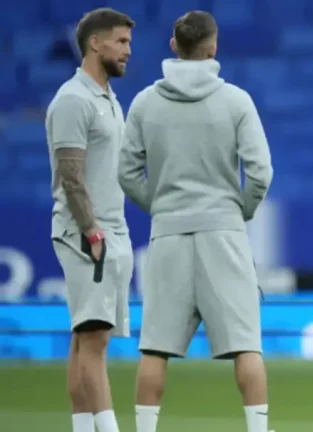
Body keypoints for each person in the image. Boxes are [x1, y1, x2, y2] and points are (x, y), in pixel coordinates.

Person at [117, 11, 274, 432]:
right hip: (223, 232)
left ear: (174, 46)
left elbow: (127, 172)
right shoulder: (236, 100)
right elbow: (260, 172)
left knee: (155, 347)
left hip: (167, 235)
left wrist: (163, 208)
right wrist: (238, 210)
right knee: (245, 344)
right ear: (214, 48)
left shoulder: (145, 102)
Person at [45, 8, 135, 432]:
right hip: (88, 233)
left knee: (84, 338)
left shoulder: (107, 99)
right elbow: (70, 173)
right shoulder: (73, 100)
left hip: (108, 231)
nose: (127, 51)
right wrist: (91, 230)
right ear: (95, 43)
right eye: (121, 41)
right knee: (96, 338)